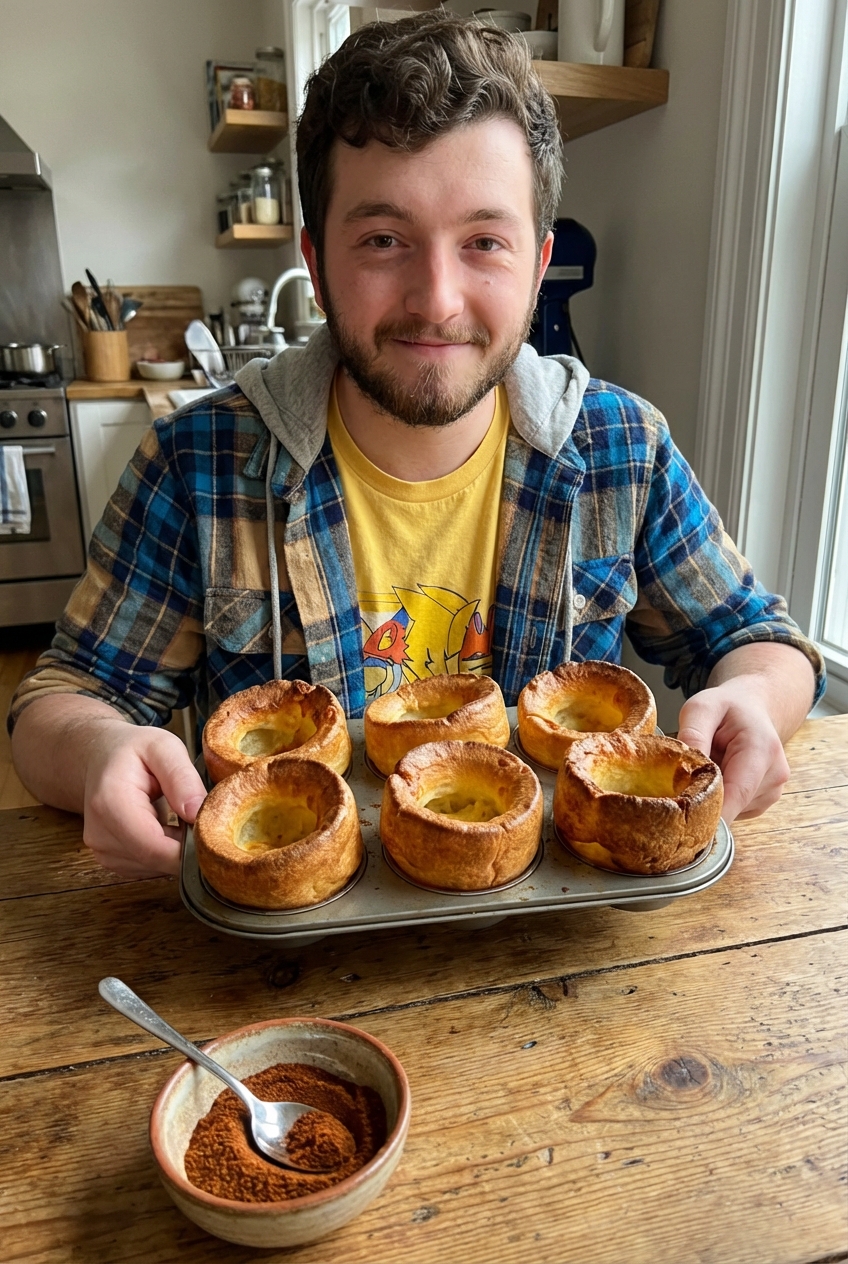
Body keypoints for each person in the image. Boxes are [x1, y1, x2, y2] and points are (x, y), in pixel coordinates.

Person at [9, 13, 823, 878]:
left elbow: (761, 639)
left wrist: (754, 699)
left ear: (537, 263)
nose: (437, 299)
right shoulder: (194, 462)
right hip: (290, 956)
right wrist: (100, 751)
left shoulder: (625, 447)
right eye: (384, 240)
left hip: (563, 948)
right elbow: (61, 702)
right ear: (316, 264)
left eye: (484, 242)